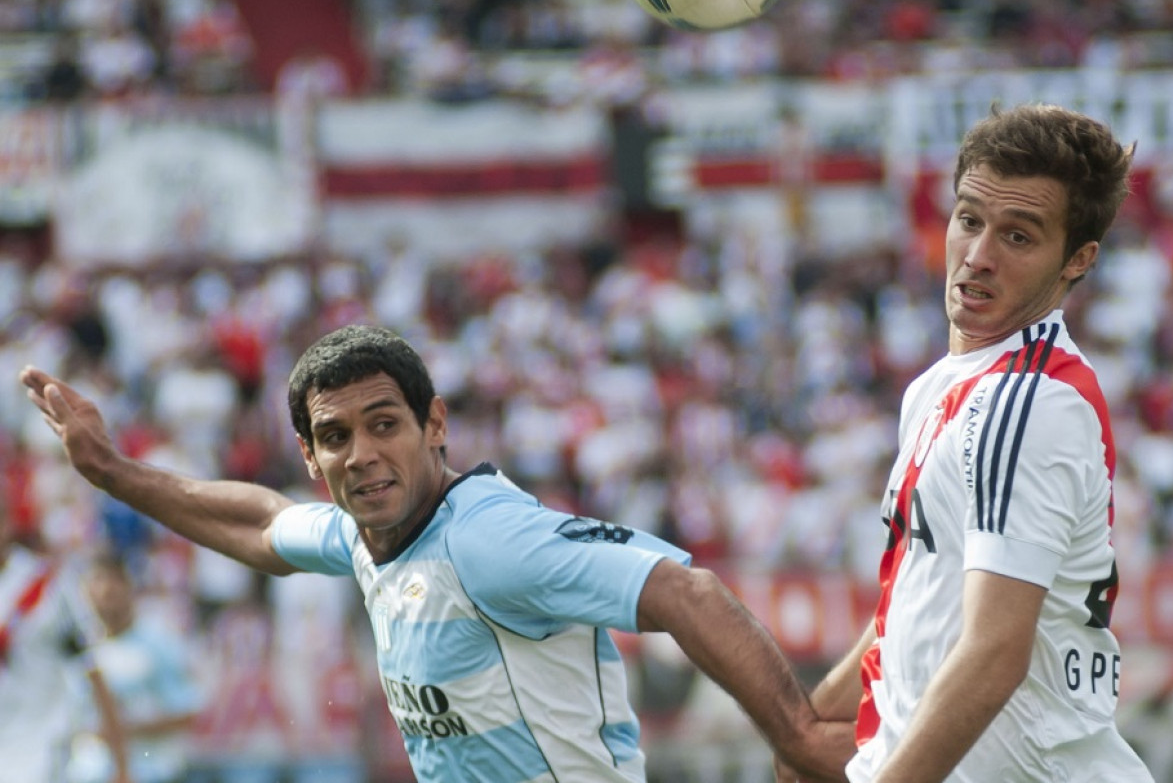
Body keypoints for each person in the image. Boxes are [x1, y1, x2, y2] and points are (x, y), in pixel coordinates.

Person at [20, 324, 855, 783]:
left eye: (385, 424)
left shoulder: (491, 539)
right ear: (312, 458)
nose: (362, 454)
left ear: (436, 426)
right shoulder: (362, 535)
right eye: (335, 438)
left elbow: (687, 590)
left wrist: (796, 735)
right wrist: (114, 472)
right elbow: (262, 526)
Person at [776, 104, 1156, 783]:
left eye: (1018, 236)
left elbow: (993, 652)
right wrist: (807, 729)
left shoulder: (1030, 401)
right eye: (970, 219)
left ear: (1078, 260)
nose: (977, 256)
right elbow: (921, 600)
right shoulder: (940, 387)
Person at [0, 503, 131, 783]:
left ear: (8, 523)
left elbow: (91, 669)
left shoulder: (47, 584)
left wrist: (121, 766)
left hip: (39, 747)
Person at [75, 554, 204, 783]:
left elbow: (187, 711)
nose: (105, 591)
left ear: (129, 588)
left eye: (114, 582)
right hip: (91, 773)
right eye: (97, 582)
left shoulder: (159, 642)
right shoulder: (79, 647)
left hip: (151, 770)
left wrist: (124, 729)